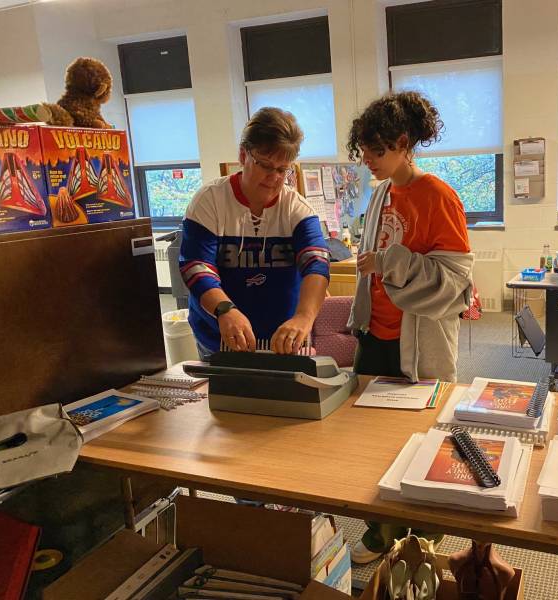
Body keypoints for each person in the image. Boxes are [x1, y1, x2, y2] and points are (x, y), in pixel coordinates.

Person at [346, 91, 474, 563]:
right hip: (375, 334)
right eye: (363, 152)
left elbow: (457, 282)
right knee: (370, 437)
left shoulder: (437, 195)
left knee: (421, 436)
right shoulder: (381, 193)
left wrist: (389, 262)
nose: (368, 162)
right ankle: (379, 529)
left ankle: (422, 532)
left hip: (417, 340)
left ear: (403, 143)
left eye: (376, 151)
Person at [179, 107, 330, 357]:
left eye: (283, 169)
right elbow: (196, 267)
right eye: (266, 166)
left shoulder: (297, 208)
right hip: (220, 339)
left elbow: (317, 263)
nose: (273, 177)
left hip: (282, 342)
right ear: (243, 155)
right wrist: (225, 309)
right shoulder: (209, 201)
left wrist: (304, 316)